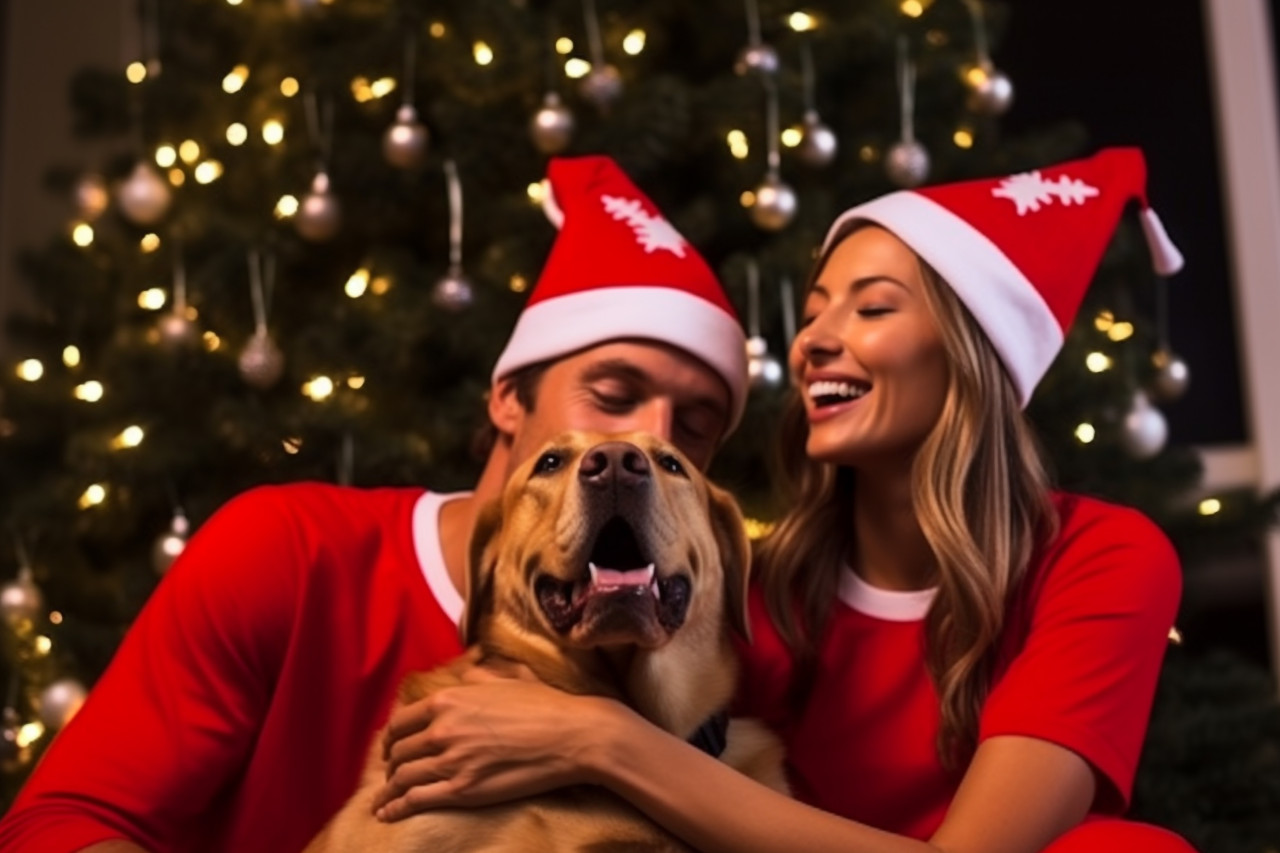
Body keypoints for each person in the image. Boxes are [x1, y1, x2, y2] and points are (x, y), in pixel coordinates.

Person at [370, 148, 1198, 853]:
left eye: (872, 307)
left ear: (973, 360)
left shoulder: (1099, 557)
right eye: (812, 314)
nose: (813, 342)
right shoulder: (755, 591)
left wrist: (602, 739)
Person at [0, 155, 750, 853]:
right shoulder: (286, 549)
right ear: (507, 399)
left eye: (692, 431)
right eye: (612, 396)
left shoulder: (720, 646)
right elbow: (61, 824)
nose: (642, 448)